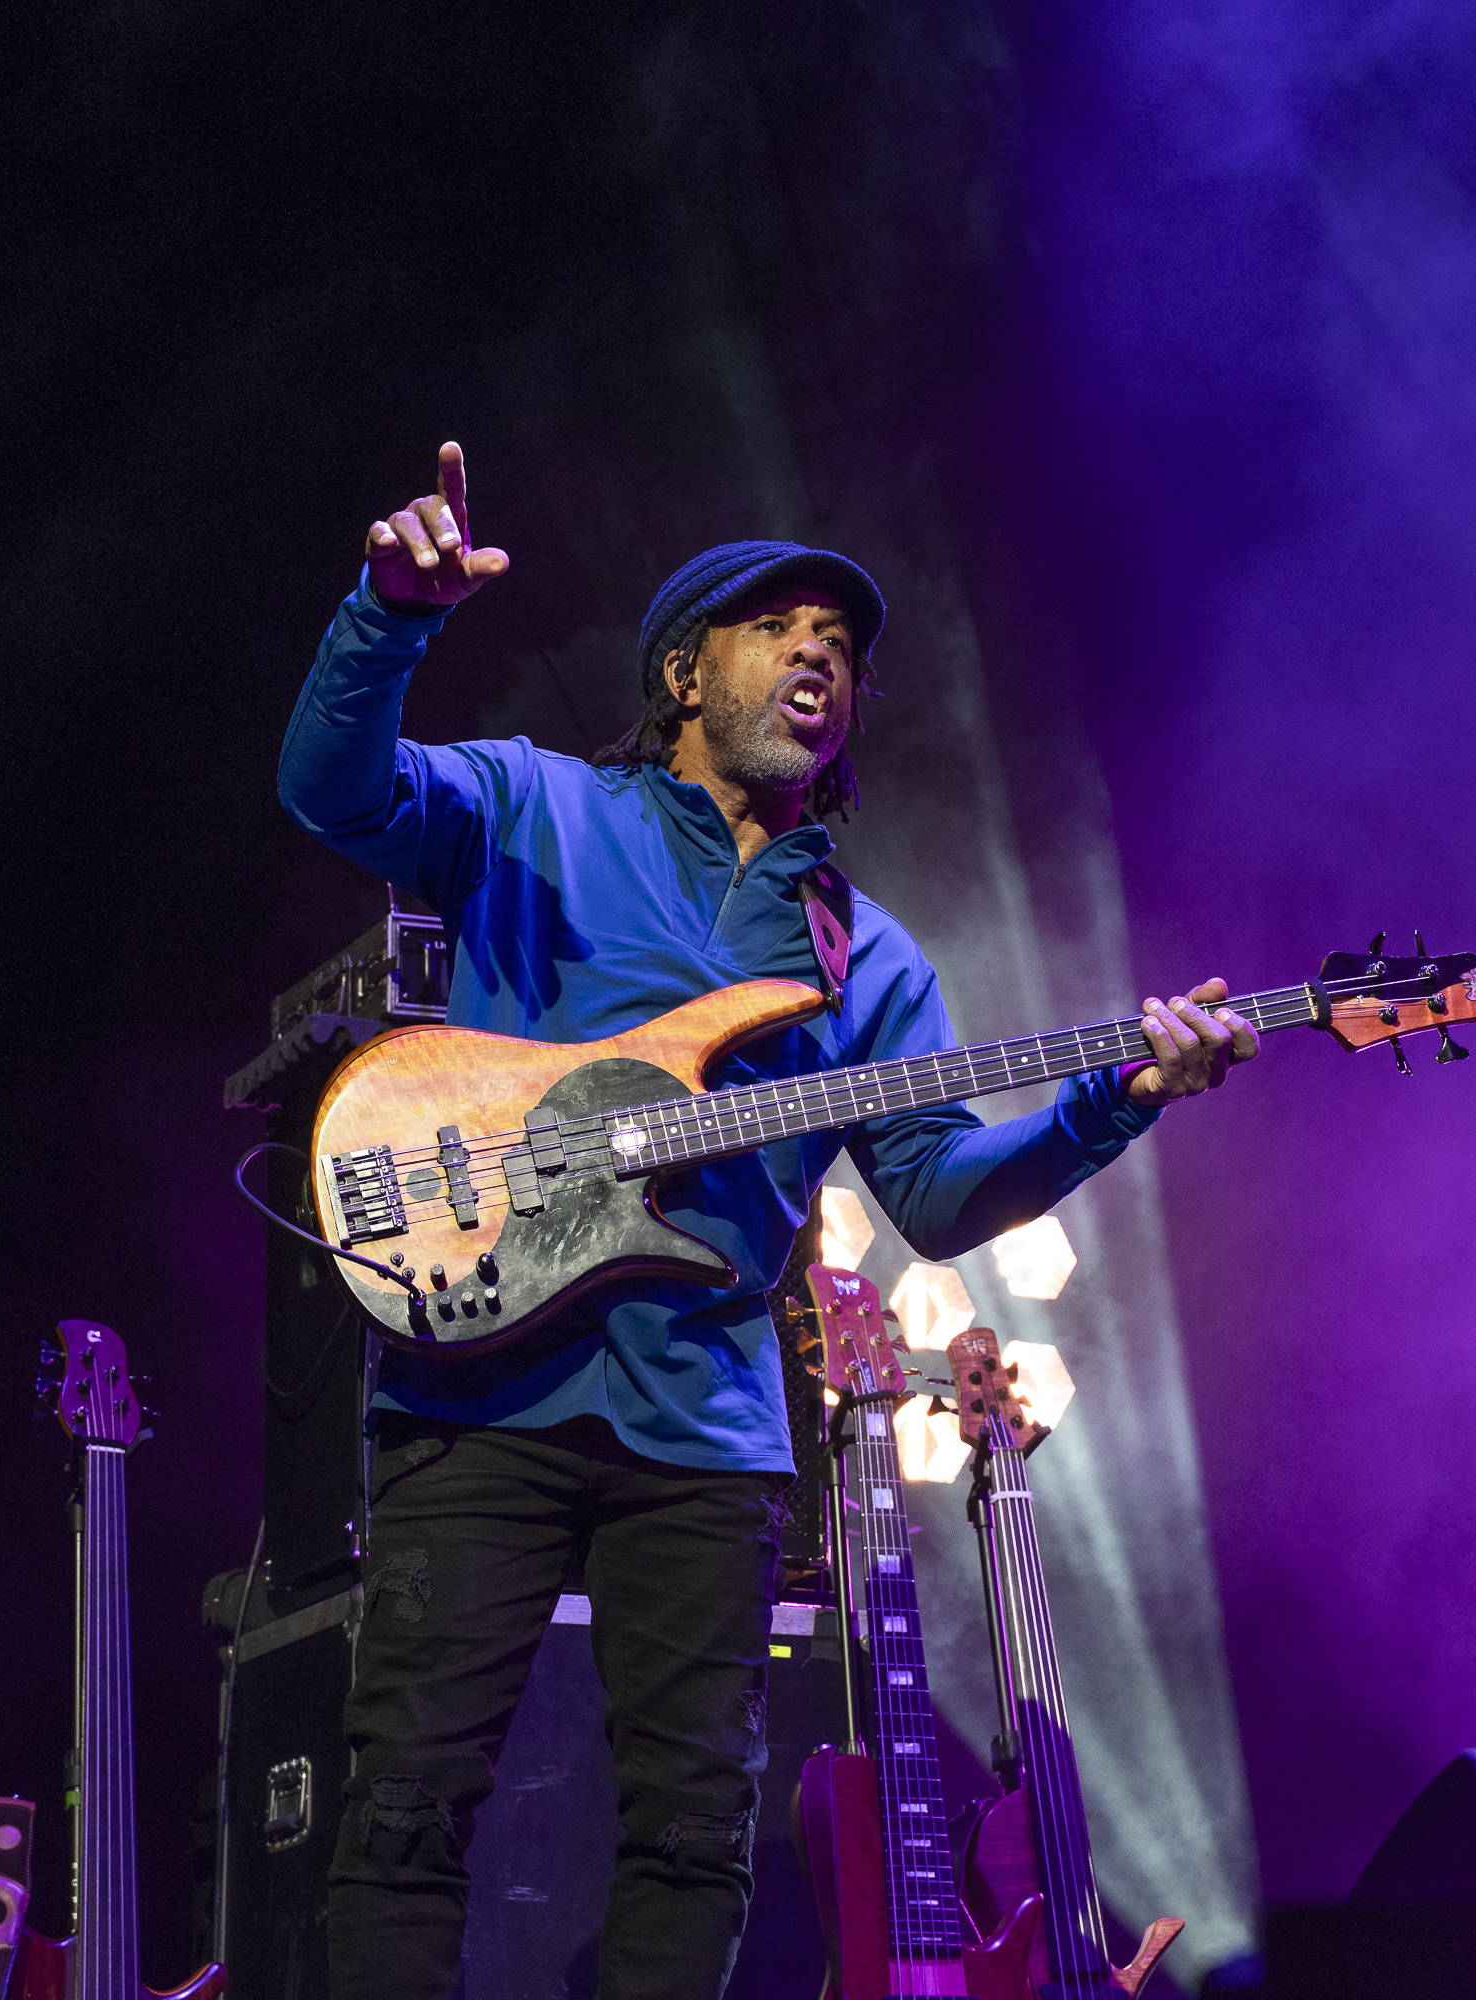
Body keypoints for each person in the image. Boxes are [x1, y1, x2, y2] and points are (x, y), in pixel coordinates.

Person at [277, 442, 1258, 2000]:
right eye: (779, 627)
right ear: (684, 671)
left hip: (707, 1434)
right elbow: (331, 789)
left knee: (693, 1840)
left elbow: (934, 1198)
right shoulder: (537, 808)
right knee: (404, 1814)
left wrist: (1114, 1100)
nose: (820, 655)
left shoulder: (865, 957)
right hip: (479, 1391)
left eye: (843, 645)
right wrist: (386, 616)